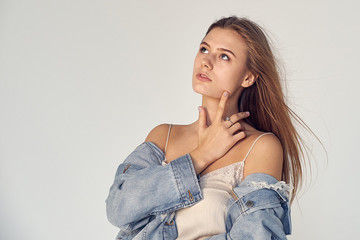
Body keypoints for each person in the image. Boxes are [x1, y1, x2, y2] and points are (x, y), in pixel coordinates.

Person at [106, 16, 308, 239]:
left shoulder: (260, 146)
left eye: (224, 56)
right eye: (204, 49)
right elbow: (118, 209)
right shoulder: (163, 135)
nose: (206, 62)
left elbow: (255, 235)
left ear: (248, 77)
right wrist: (200, 156)